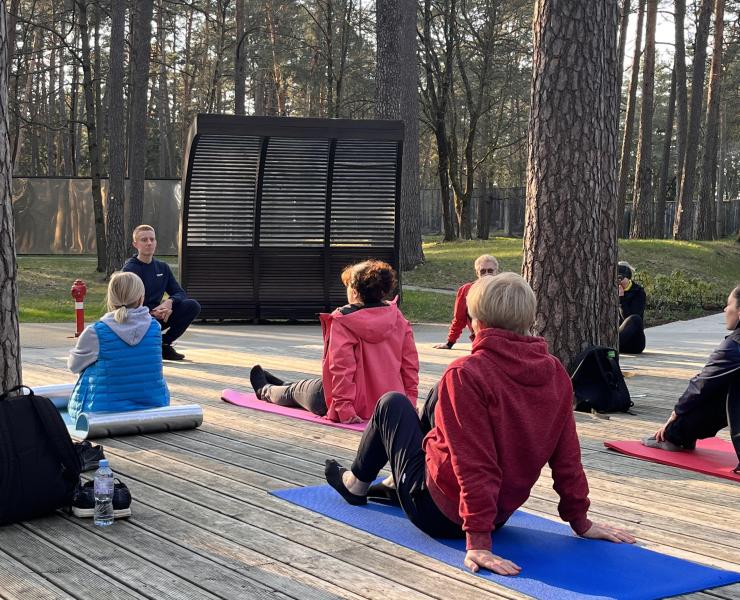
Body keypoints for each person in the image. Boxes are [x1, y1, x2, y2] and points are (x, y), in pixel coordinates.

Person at [324, 272, 635, 575]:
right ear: (528, 320)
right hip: (497, 515)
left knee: (392, 403)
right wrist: (580, 520)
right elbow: (567, 456)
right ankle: (393, 483)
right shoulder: (555, 372)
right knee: (436, 396)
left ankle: (356, 484)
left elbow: (475, 463)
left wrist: (478, 542)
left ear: (477, 324)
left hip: (440, 513)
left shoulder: (466, 375)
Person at [249, 260, 418, 424]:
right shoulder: (398, 318)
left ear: (354, 292)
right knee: (304, 387)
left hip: (351, 404)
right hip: (391, 404)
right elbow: (410, 366)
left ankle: (264, 390)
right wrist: (408, 404)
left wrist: (344, 409)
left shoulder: (344, 320)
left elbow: (341, 368)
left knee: (295, 392)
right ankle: (284, 384)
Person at [643, 285, 740, 472]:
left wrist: (676, 412)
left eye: (729, 305)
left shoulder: (734, 346)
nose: (725, 310)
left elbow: (702, 384)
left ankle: (675, 435)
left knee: (722, 390)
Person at [67, 271, 169, 420]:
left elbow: (74, 366)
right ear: (141, 298)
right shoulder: (155, 328)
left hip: (99, 411)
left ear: (111, 299)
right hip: (154, 405)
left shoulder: (96, 332)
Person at [122, 224, 201, 361]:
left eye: (152, 239)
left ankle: (163, 343)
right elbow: (127, 304)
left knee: (192, 305)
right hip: (137, 319)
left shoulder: (162, 267)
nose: (149, 243)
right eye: (144, 240)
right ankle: (148, 345)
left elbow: (179, 293)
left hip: (159, 316)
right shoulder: (130, 270)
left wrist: (169, 303)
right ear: (135, 244)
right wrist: (151, 313)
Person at [433, 254, 499, 349]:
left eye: (490, 271)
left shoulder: (504, 289)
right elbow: (459, 319)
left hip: (502, 339)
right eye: (483, 271)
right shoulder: (466, 290)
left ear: (496, 272)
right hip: (480, 340)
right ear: (477, 273)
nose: (486, 274)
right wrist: (450, 343)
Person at [618, 261, 646, 354]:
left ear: (628, 278)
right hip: (617, 338)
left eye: (620, 278)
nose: (618, 282)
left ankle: (613, 344)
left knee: (634, 318)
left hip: (634, 343)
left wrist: (621, 299)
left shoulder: (638, 292)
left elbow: (629, 319)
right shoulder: (608, 289)